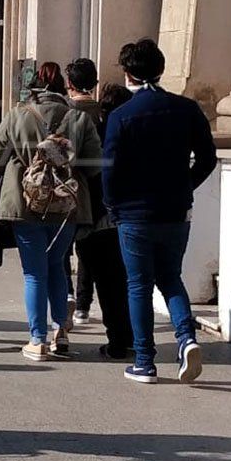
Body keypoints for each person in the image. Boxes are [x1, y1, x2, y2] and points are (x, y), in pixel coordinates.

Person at [103, 38, 216, 384]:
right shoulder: (186, 109)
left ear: (128, 74)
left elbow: (110, 169)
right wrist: (186, 186)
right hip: (176, 210)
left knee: (139, 285)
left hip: (134, 213)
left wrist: (112, 205)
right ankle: (187, 338)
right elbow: (208, 158)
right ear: (161, 69)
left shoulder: (121, 116)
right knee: (170, 277)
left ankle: (144, 361)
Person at [0, 61, 101, 362]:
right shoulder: (79, 118)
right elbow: (94, 166)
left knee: (34, 273)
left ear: (33, 86)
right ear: (63, 87)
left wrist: (23, 159)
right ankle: (61, 332)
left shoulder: (17, 115)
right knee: (57, 265)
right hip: (66, 207)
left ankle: (37, 340)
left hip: (26, 204)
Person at [82, 84, 135, 359]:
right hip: (131, 218)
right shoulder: (137, 137)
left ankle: (117, 340)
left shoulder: (95, 135)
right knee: (129, 282)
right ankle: (131, 337)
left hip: (98, 219)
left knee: (106, 284)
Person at [65, 57, 103, 324]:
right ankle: (83, 304)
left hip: (68, 186)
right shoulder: (104, 112)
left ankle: (67, 295)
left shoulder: (66, 113)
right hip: (97, 187)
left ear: (70, 83)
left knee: (62, 248)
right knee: (88, 248)